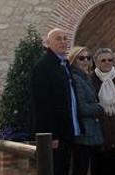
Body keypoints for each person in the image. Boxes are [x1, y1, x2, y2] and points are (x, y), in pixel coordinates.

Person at [29, 28, 78, 175]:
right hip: (55, 134)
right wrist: (51, 135)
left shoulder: (64, 64)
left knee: (64, 168)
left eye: (65, 38)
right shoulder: (43, 67)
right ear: (48, 43)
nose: (63, 42)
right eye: (58, 39)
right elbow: (41, 105)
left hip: (67, 131)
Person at [69, 46, 104, 175]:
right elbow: (81, 107)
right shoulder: (76, 79)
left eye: (88, 58)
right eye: (81, 58)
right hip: (84, 134)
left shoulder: (86, 77)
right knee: (81, 168)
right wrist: (101, 107)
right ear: (73, 60)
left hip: (92, 133)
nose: (85, 61)